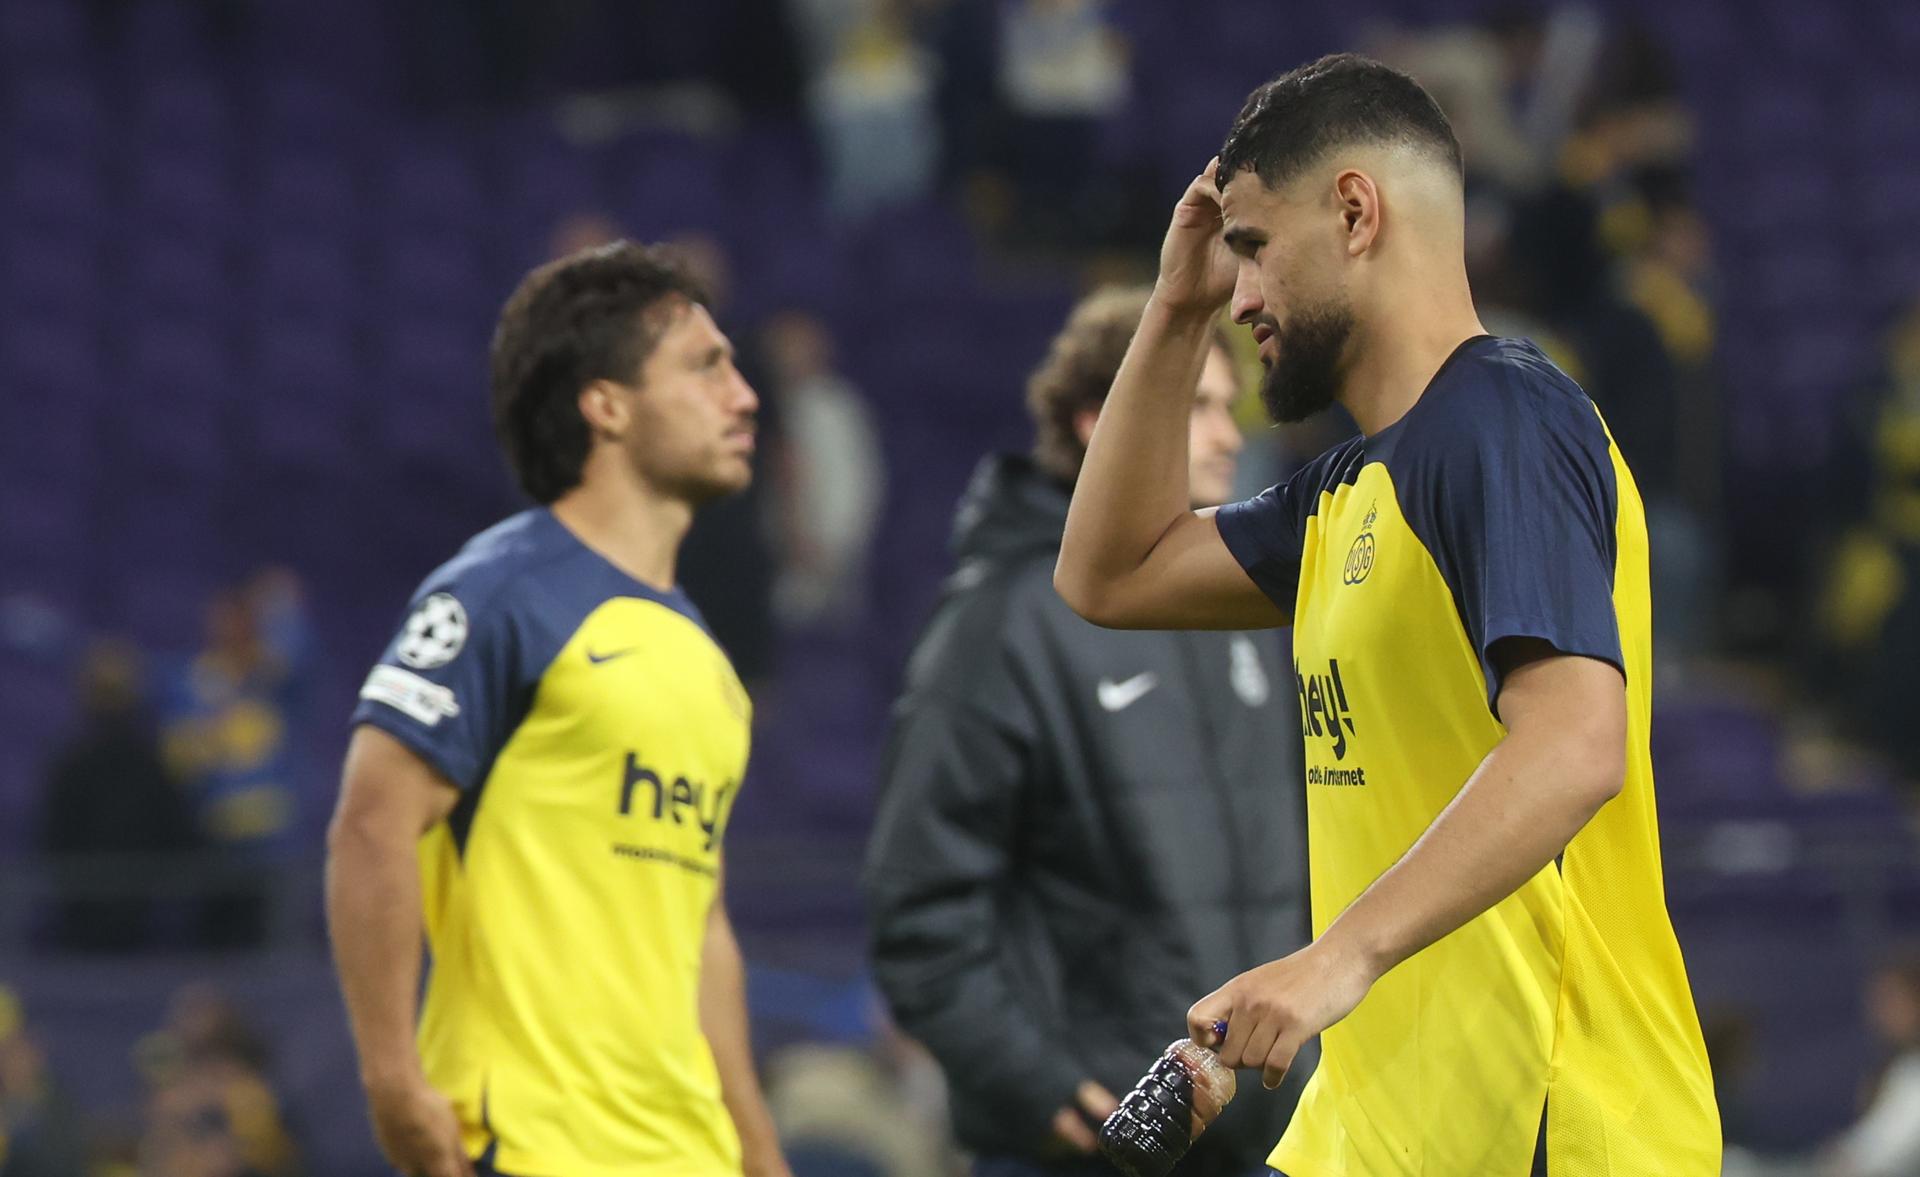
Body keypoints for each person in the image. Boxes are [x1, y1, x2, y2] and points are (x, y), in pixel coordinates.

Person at [1052, 54, 1718, 1175]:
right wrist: (1174, 309)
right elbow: (1109, 576)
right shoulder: (1348, 488)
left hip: (1543, 1120)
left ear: (1356, 212)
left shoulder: (1503, 417)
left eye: (1254, 250)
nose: (1242, 293)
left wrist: (1334, 959)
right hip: (1380, 1128)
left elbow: (1574, 743)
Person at [326, 242, 790, 1177]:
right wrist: (391, 1079)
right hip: (528, 1144)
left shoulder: (706, 663)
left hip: (686, 1155)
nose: (745, 397)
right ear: (606, 403)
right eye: (706, 366)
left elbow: (699, 927)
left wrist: (757, 1150)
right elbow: (372, 823)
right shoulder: (500, 593)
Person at [866, 286, 1311, 1177]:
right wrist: (1036, 1083)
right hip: (1081, 1153)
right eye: (1198, 408)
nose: (1229, 435)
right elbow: (919, 909)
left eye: (1230, 408)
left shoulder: (1254, 612)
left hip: (1266, 1148)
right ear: (1097, 420)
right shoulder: (1001, 621)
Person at [1821, 949, 1920, 1177]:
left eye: (1891, 999)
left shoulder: (1913, 1074)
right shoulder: (1897, 1069)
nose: (1879, 1012)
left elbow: (1873, 1156)